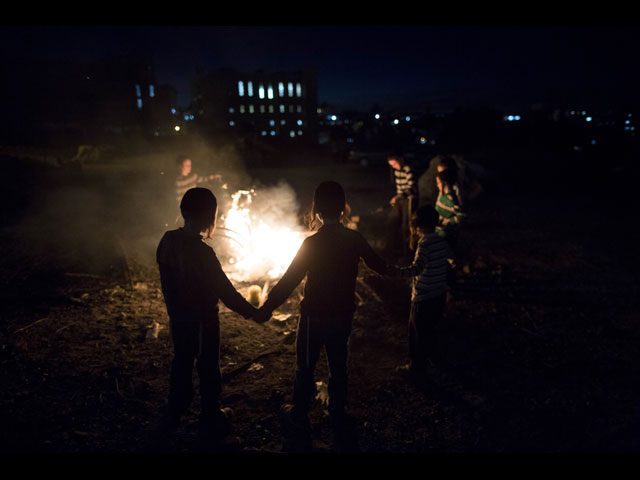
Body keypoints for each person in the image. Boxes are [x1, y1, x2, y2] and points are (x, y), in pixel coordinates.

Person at [254, 181, 388, 448]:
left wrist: (266, 309)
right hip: (342, 316)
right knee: (339, 366)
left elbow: (290, 279)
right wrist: (408, 270)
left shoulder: (312, 243)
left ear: (316, 210)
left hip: (314, 318)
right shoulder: (354, 238)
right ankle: (337, 412)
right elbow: (378, 265)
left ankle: (298, 415)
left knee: (305, 367)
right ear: (343, 209)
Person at [156, 187, 259, 446]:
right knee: (208, 369)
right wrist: (253, 313)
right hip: (203, 322)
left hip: (177, 319)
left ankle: (175, 410)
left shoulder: (167, 241)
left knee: (181, 361)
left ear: (183, 212)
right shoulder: (203, 254)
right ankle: (211, 418)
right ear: (210, 217)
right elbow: (226, 292)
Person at [389, 205, 454, 377]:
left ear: (418, 224)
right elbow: (447, 261)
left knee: (416, 334)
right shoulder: (440, 240)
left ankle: (417, 368)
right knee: (430, 330)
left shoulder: (424, 243)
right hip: (438, 296)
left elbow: (417, 269)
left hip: (423, 299)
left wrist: (397, 272)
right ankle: (436, 360)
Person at [385, 151, 419, 258]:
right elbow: (400, 190)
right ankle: (392, 249)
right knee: (392, 222)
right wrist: (396, 197)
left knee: (406, 226)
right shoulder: (396, 171)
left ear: (401, 159)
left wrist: (399, 197)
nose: (394, 167)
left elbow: (412, 188)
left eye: (395, 164)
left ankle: (407, 253)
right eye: (392, 165)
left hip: (409, 201)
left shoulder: (408, 170)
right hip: (400, 200)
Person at [435, 167, 466, 254]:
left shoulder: (451, 199)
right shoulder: (442, 195)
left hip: (445, 234)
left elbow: (462, 215)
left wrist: (448, 221)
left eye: (438, 183)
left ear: (444, 184)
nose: (437, 185)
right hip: (438, 231)